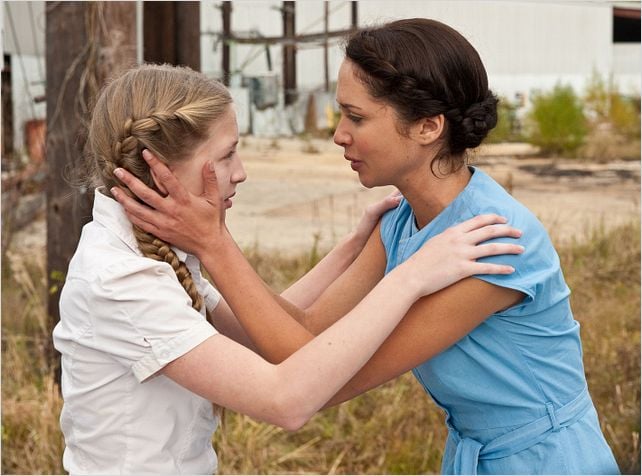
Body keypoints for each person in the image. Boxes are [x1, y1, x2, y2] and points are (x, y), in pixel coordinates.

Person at [114, 19, 620, 475]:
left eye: (356, 117)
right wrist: (211, 249)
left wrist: (213, 245)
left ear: (428, 126)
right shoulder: (400, 220)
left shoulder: (492, 243)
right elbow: (311, 331)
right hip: (475, 456)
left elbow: (318, 377)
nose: (339, 135)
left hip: (550, 460)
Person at [52, 63, 524, 475]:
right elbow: (286, 400)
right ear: (161, 171)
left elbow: (265, 328)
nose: (240, 172)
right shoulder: (121, 280)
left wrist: (348, 250)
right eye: (226, 155)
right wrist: (411, 277)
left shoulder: (152, 252)